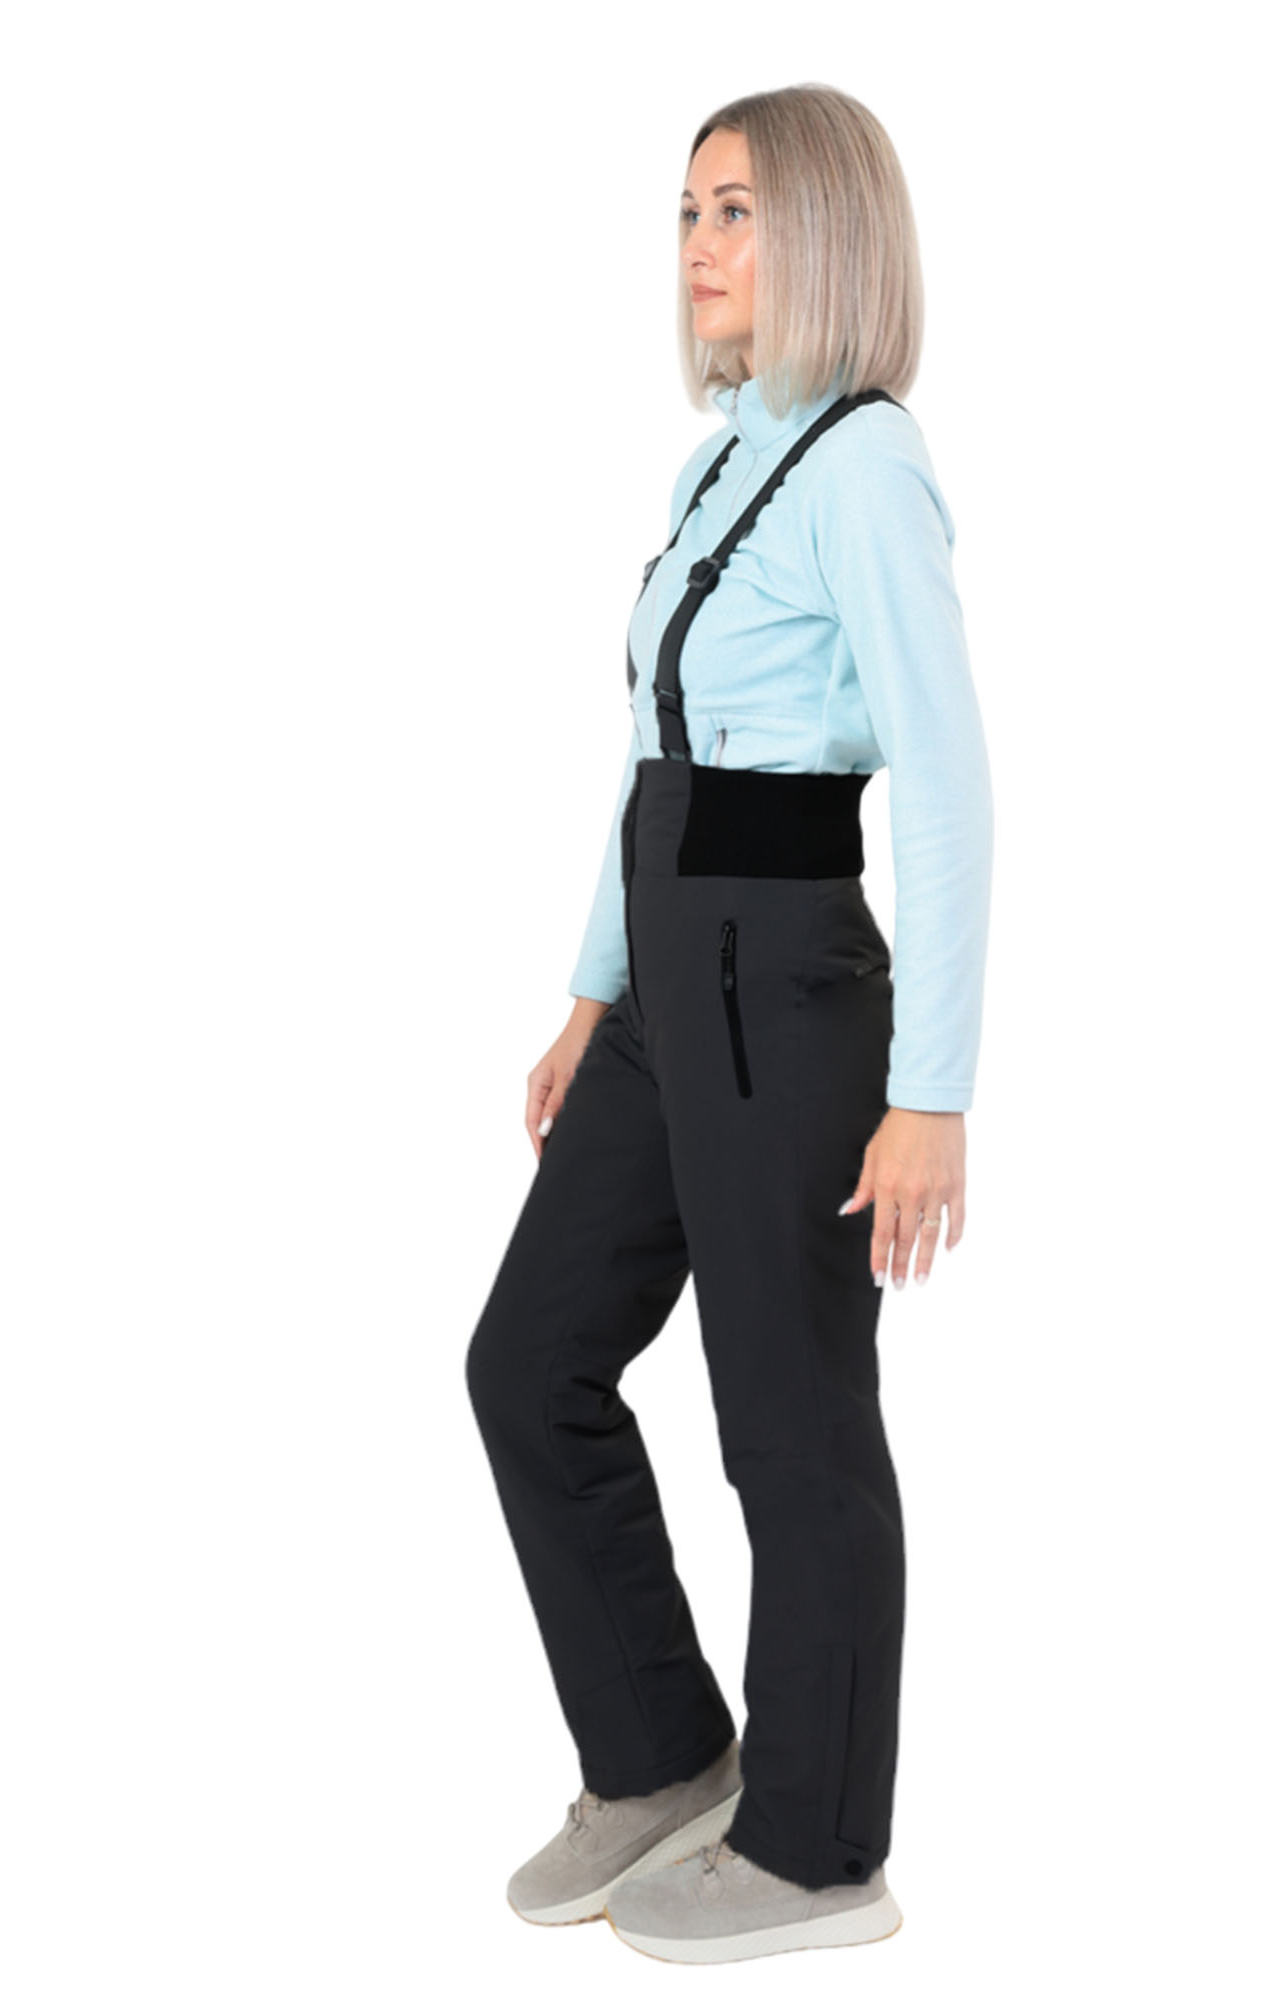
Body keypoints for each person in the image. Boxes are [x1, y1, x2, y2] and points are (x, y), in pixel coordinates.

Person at [464, 82, 994, 1966]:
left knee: (791, 1424)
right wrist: (593, 991)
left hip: (786, 985)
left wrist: (931, 1095)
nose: (699, 245)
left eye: (739, 210)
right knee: (529, 1363)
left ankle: (820, 1846)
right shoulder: (717, 463)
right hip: (668, 987)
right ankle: (663, 1754)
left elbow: (945, 788)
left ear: (827, 233)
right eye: (688, 211)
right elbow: (651, 757)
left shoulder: (864, 466)